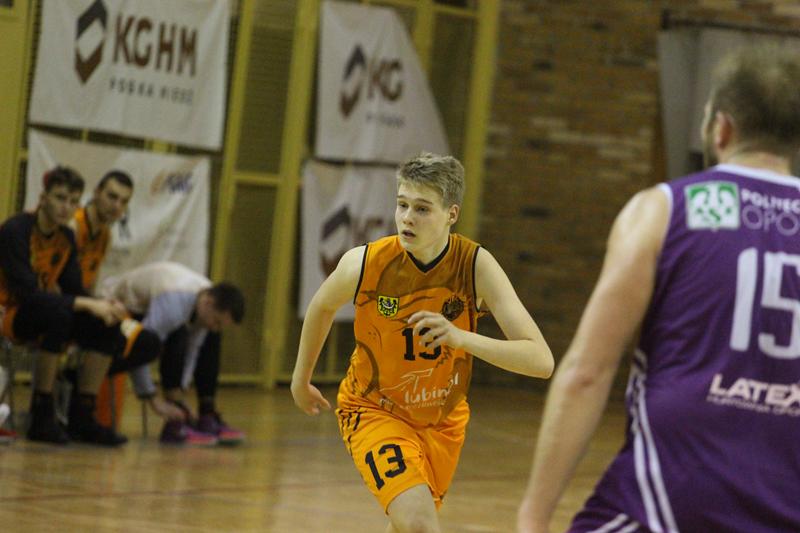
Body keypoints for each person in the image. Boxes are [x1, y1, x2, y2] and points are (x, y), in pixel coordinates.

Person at [517, 45, 800, 533]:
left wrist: (533, 515)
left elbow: (587, 372)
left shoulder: (663, 210)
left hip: (666, 500)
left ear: (721, 128)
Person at [292, 152, 554, 532]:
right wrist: (301, 379)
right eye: (402, 205)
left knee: (406, 527)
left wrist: (461, 337)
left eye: (422, 208)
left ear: (451, 214)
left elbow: (541, 360)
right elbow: (322, 305)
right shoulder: (366, 263)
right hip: (375, 410)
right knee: (418, 523)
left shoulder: (475, 266)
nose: (407, 218)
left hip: (442, 421)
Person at [0, 166, 161, 445]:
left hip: (42, 309)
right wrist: (86, 303)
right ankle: (42, 412)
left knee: (106, 324)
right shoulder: (17, 230)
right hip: (8, 311)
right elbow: (28, 294)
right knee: (60, 314)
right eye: (60, 198)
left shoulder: (66, 237)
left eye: (73, 201)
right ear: (43, 198)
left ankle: (83, 414)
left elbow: (74, 286)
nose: (67, 207)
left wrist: (104, 306)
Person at [69, 170, 183, 425]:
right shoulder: (74, 226)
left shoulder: (105, 236)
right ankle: (82, 408)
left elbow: (89, 284)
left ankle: (74, 376)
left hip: (85, 305)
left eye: (123, 201)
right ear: (96, 193)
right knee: (108, 329)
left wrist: (104, 303)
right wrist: (94, 305)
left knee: (147, 342)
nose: (116, 206)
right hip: (66, 306)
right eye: (112, 197)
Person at [97, 261, 246, 446]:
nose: (215, 327)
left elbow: (193, 351)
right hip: (110, 311)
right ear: (208, 303)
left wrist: (181, 393)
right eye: (216, 321)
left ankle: (188, 411)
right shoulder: (174, 304)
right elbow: (141, 347)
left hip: (140, 316)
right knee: (176, 334)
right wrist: (152, 399)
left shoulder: (205, 298)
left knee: (209, 337)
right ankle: (174, 421)